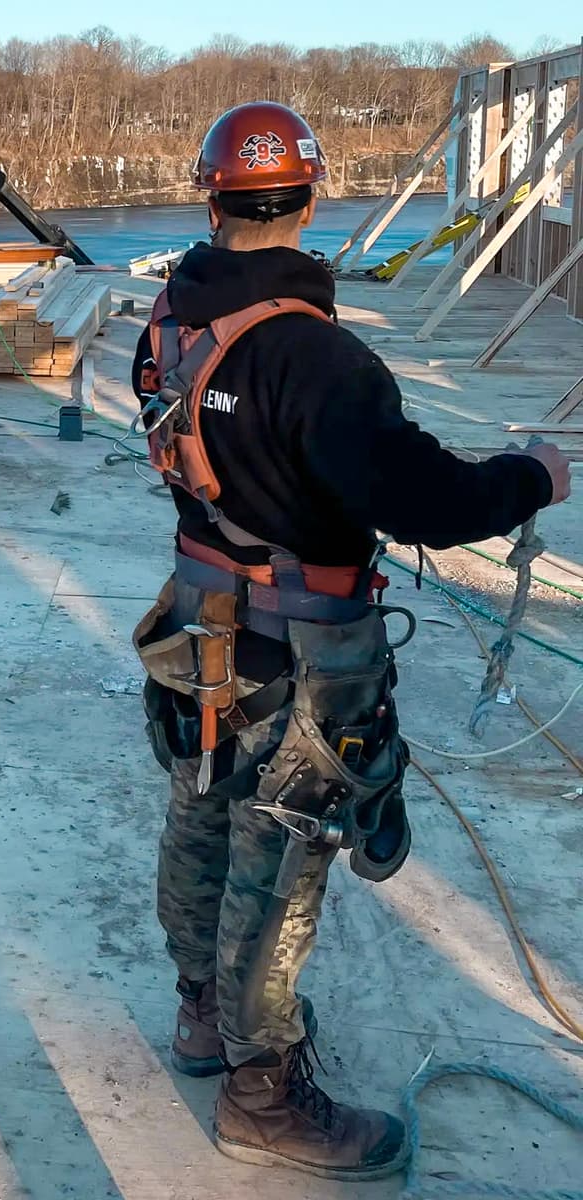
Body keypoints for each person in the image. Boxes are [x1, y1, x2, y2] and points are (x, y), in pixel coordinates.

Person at [130, 101, 571, 1182]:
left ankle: (202, 1015)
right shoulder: (316, 360)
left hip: (202, 623)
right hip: (298, 646)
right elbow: (418, 497)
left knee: (199, 810)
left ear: (210, 196)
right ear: (313, 199)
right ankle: (261, 1093)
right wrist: (532, 479)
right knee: (277, 860)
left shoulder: (171, 323)